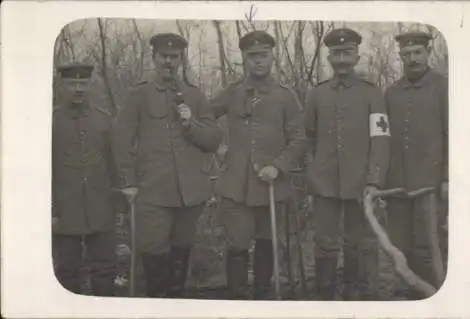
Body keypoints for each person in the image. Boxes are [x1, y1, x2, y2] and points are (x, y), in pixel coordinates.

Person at [112, 33, 222, 298]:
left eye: (174, 57)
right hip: (152, 191)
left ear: (181, 59)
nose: (169, 62)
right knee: (153, 250)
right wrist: (128, 182)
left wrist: (190, 125)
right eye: (164, 56)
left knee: (181, 249)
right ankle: (157, 304)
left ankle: (176, 303)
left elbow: (213, 139)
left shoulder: (194, 97)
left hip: (190, 193)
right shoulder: (138, 95)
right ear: (154, 58)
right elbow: (121, 140)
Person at [210, 30, 306, 300]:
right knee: (237, 244)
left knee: (268, 241)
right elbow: (204, 119)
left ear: (272, 57)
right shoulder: (232, 92)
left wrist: (278, 165)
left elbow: (299, 139)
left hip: (271, 186)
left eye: (263, 55)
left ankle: (262, 298)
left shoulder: (285, 96)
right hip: (236, 187)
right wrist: (216, 145)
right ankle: (237, 300)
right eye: (252, 56)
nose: (258, 61)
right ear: (244, 59)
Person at [304, 28, 391, 300]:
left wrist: (374, 180)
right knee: (325, 243)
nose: (341, 59)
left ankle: (357, 295)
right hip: (324, 182)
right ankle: (325, 296)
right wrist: (312, 173)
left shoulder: (371, 94)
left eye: (347, 53)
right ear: (329, 57)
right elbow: (308, 138)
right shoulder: (316, 95)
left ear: (356, 56)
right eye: (336, 54)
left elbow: (381, 139)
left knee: (358, 242)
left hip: (360, 182)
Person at [384, 31, 448, 299]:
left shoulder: (443, 86)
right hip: (397, 183)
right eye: (406, 54)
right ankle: (403, 293)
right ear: (400, 57)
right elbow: (383, 137)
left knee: (428, 243)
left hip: (430, 183)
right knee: (400, 243)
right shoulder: (392, 92)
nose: (412, 59)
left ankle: (430, 295)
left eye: (417, 53)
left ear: (428, 53)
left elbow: (453, 134)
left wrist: (447, 177)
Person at [52, 63, 119, 296]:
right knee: (67, 270)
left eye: (83, 83)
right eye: (72, 84)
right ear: (62, 86)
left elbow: (115, 164)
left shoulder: (104, 120)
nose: (78, 89)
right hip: (64, 210)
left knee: (104, 269)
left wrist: (118, 206)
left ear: (91, 85)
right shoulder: (51, 121)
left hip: (100, 207)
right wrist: (50, 210)